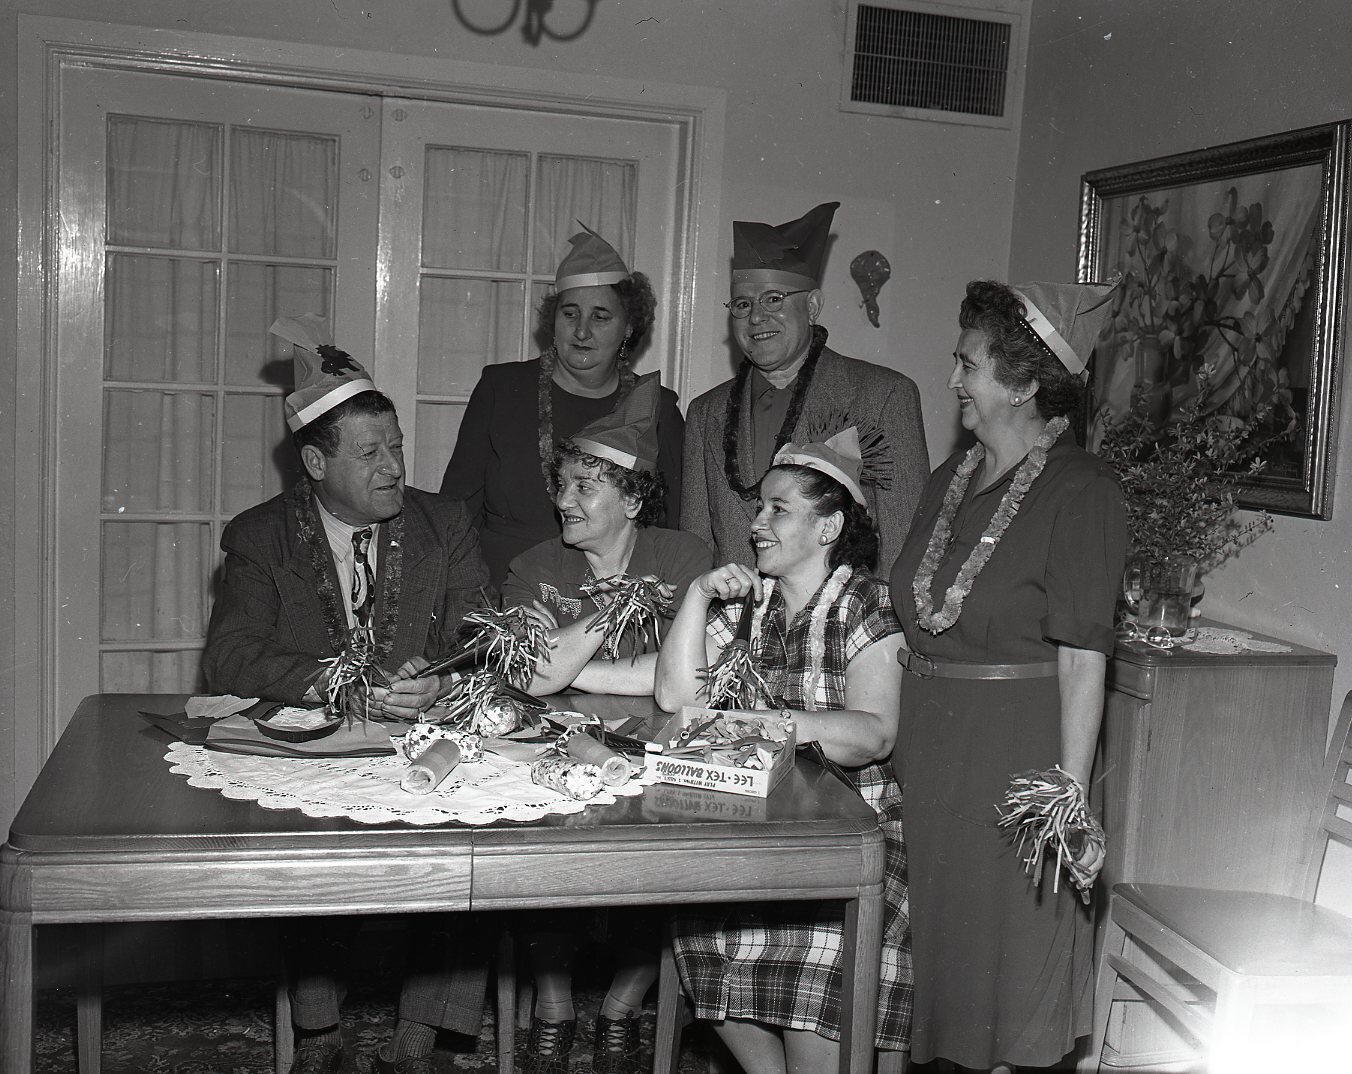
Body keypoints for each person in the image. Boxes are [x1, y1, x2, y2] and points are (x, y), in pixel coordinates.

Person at [202, 315, 491, 1074]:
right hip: (322, 744)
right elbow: (229, 657)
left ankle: (417, 1039)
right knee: (305, 845)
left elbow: (484, 635)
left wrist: (444, 677)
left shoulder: (445, 523)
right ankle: (320, 1036)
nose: (394, 466)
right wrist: (341, 680)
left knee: (473, 849)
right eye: (370, 453)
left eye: (396, 445)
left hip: (424, 739)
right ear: (315, 462)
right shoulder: (260, 536)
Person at [889, 279, 1127, 1072]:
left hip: (1013, 764)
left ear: (1023, 383)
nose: (952, 379)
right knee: (942, 977)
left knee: (1007, 977)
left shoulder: (1083, 491)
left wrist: (1069, 793)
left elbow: (1085, 657)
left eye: (968, 364)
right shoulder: (946, 480)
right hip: (930, 754)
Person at [655, 429, 912, 1073]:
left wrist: (770, 722)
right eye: (759, 507)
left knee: (815, 958)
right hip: (758, 835)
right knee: (698, 925)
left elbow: (876, 732)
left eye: (778, 509)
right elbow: (674, 694)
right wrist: (698, 596)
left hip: (850, 842)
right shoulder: (752, 606)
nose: (756, 524)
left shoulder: (865, 607)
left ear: (829, 528)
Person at [501, 372, 711, 1074]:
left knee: (672, 863)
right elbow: (530, 677)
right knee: (539, 859)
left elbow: (689, 683)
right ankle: (554, 1004)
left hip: (657, 755)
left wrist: (574, 666)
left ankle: (623, 1003)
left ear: (632, 497)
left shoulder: (684, 558)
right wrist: (616, 607)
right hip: (554, 753)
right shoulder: (532, 567)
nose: (563, 501)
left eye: (583, 488)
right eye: (561, 484)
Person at [682, 201, 929, 571]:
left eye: (774, 299)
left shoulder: (882, 396)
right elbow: (695, 548)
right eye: (742, 304)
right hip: (732, 625)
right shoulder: (706, 413)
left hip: (841, 624)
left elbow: (904, 547)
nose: (757, 317)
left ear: (812, 306)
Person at [441, 225, 685, 587]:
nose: (582, 331)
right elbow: (457, 512)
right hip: (501, 590)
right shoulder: (501, 388)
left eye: (600, 316)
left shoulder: (656, 406)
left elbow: (671, 525)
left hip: (611, 602)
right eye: (570, 314)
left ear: (630, 326)